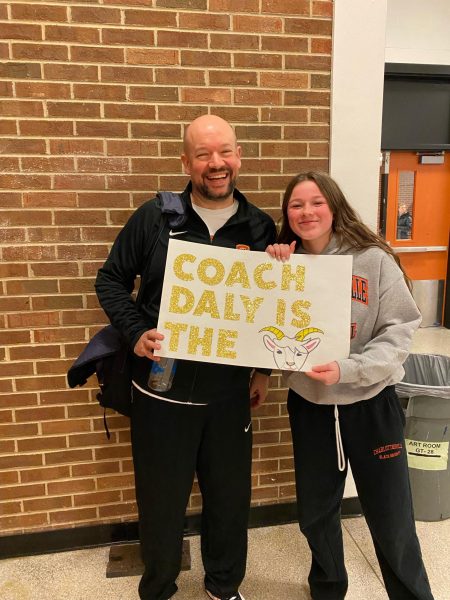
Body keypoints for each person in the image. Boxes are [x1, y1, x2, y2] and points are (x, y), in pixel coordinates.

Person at [95, 114, 276, 600]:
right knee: (160, 502)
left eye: (226, 152)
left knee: (229, 500)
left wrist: (262, 369)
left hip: (229, 394)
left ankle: (223, 587)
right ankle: (157, 589)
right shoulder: (155, 217)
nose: (216, 164)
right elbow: (110, 280)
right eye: (203, 155)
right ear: (186, 161)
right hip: (161, 387)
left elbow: (268, 309)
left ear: (239, 156)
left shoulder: (260, 226)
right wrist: (134, 333)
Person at [266, 172, 434, 600]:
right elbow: (260, 328)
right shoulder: (283, 266)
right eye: (296, 205)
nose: (307, 212)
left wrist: (350, 369)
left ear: (335, 206)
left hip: (371, 405)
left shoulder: (372, 260)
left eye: (316, 202)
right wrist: (267, 270)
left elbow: (400, 330)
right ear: (287, 214)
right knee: (315, 515)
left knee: (391, 517)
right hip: (311, 406)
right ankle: (327, 588)